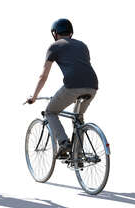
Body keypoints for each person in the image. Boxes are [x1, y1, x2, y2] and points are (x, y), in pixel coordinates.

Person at [27, 18, 98, 159]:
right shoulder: (82, 45)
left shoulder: (55, 46)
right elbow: (82, 67)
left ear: (55, 33)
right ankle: (77, 157)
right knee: (78, 119)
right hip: (92, 86)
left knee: (50, 112)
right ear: (70, 33)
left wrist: (34, 96)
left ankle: (64, 143)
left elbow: (43, 76)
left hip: (73, 86)